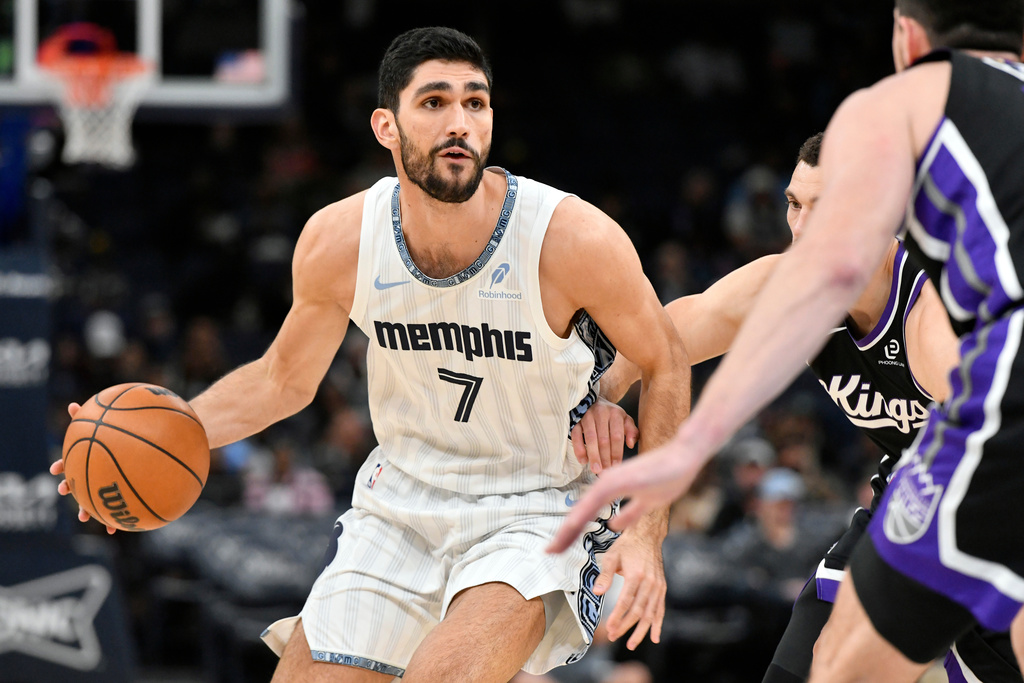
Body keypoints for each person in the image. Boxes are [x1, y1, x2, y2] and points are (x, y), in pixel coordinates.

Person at [51, 26, 690, 682]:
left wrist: (646, 527)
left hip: (534, 505)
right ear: (386, 125)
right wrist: (151, 436)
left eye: (476, 103)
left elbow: (666, 356)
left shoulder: (570, 237)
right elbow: (281, 379)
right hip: (400, 504)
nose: (460, 122)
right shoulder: (340, 240)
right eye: (435, 102)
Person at [551, 1, 1024, 680]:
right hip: (918, 487)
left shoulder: (931, 305)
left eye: (824, 206)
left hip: (984, 473)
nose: (802, 228)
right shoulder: (786, 278)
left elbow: (993, 440)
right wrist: (592, 394)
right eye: (793, 205)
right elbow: (665, 341)